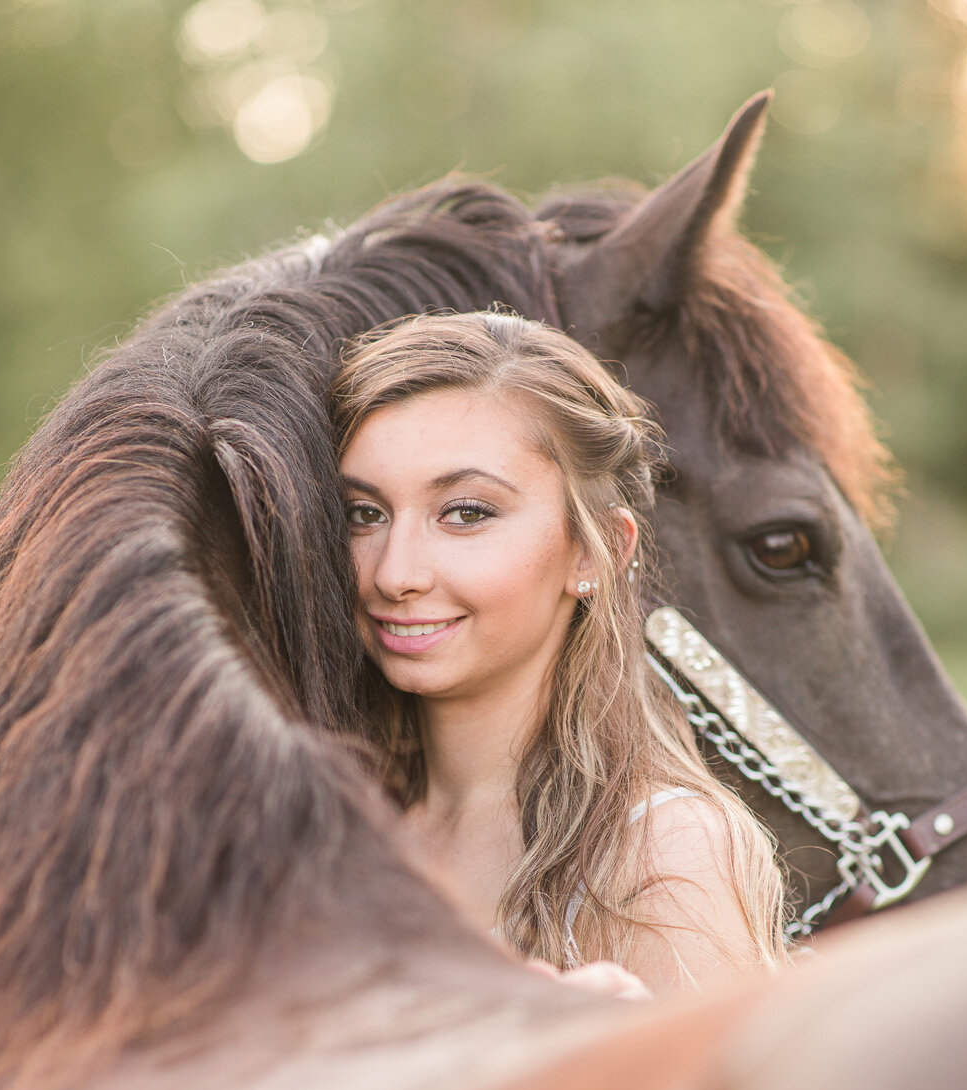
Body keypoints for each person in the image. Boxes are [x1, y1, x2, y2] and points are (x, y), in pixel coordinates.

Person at [334, 310, 788, 998]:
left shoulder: (662, 857)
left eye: (465, 513)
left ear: (594, 550)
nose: (395, 573)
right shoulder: (334, 828)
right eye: (364, 514)